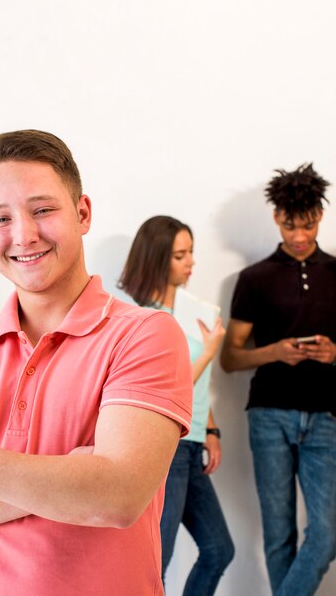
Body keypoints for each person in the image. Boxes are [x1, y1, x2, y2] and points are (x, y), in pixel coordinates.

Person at [0, 130, 193, 596]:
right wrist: (69, 480)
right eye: (1, 218)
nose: (24, 234)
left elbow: (116, 496)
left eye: (43, 209)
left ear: (82, 213)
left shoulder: (146, 334)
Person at [220, 163, 336, 596]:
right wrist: (274, 351)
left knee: (326, 536)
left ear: (320, 216)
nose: (299, 235)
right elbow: (230, 358)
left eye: (309, 225)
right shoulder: (253, 279)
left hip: (328, 418)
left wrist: (335, 354)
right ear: (277, 217)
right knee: (279, 538)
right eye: (291, 225)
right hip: (268, 416)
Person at [119, 215, 234, 595]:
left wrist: (211, 429)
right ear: (157, 259)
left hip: (193, 443)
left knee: (219, 549)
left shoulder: (190, 312)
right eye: (180, 255)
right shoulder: (144, 319)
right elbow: (172, 386)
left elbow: (198, 388)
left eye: (191, 253)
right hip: (167, 448)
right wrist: (212, 350)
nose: (191, 263)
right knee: (157, 563)